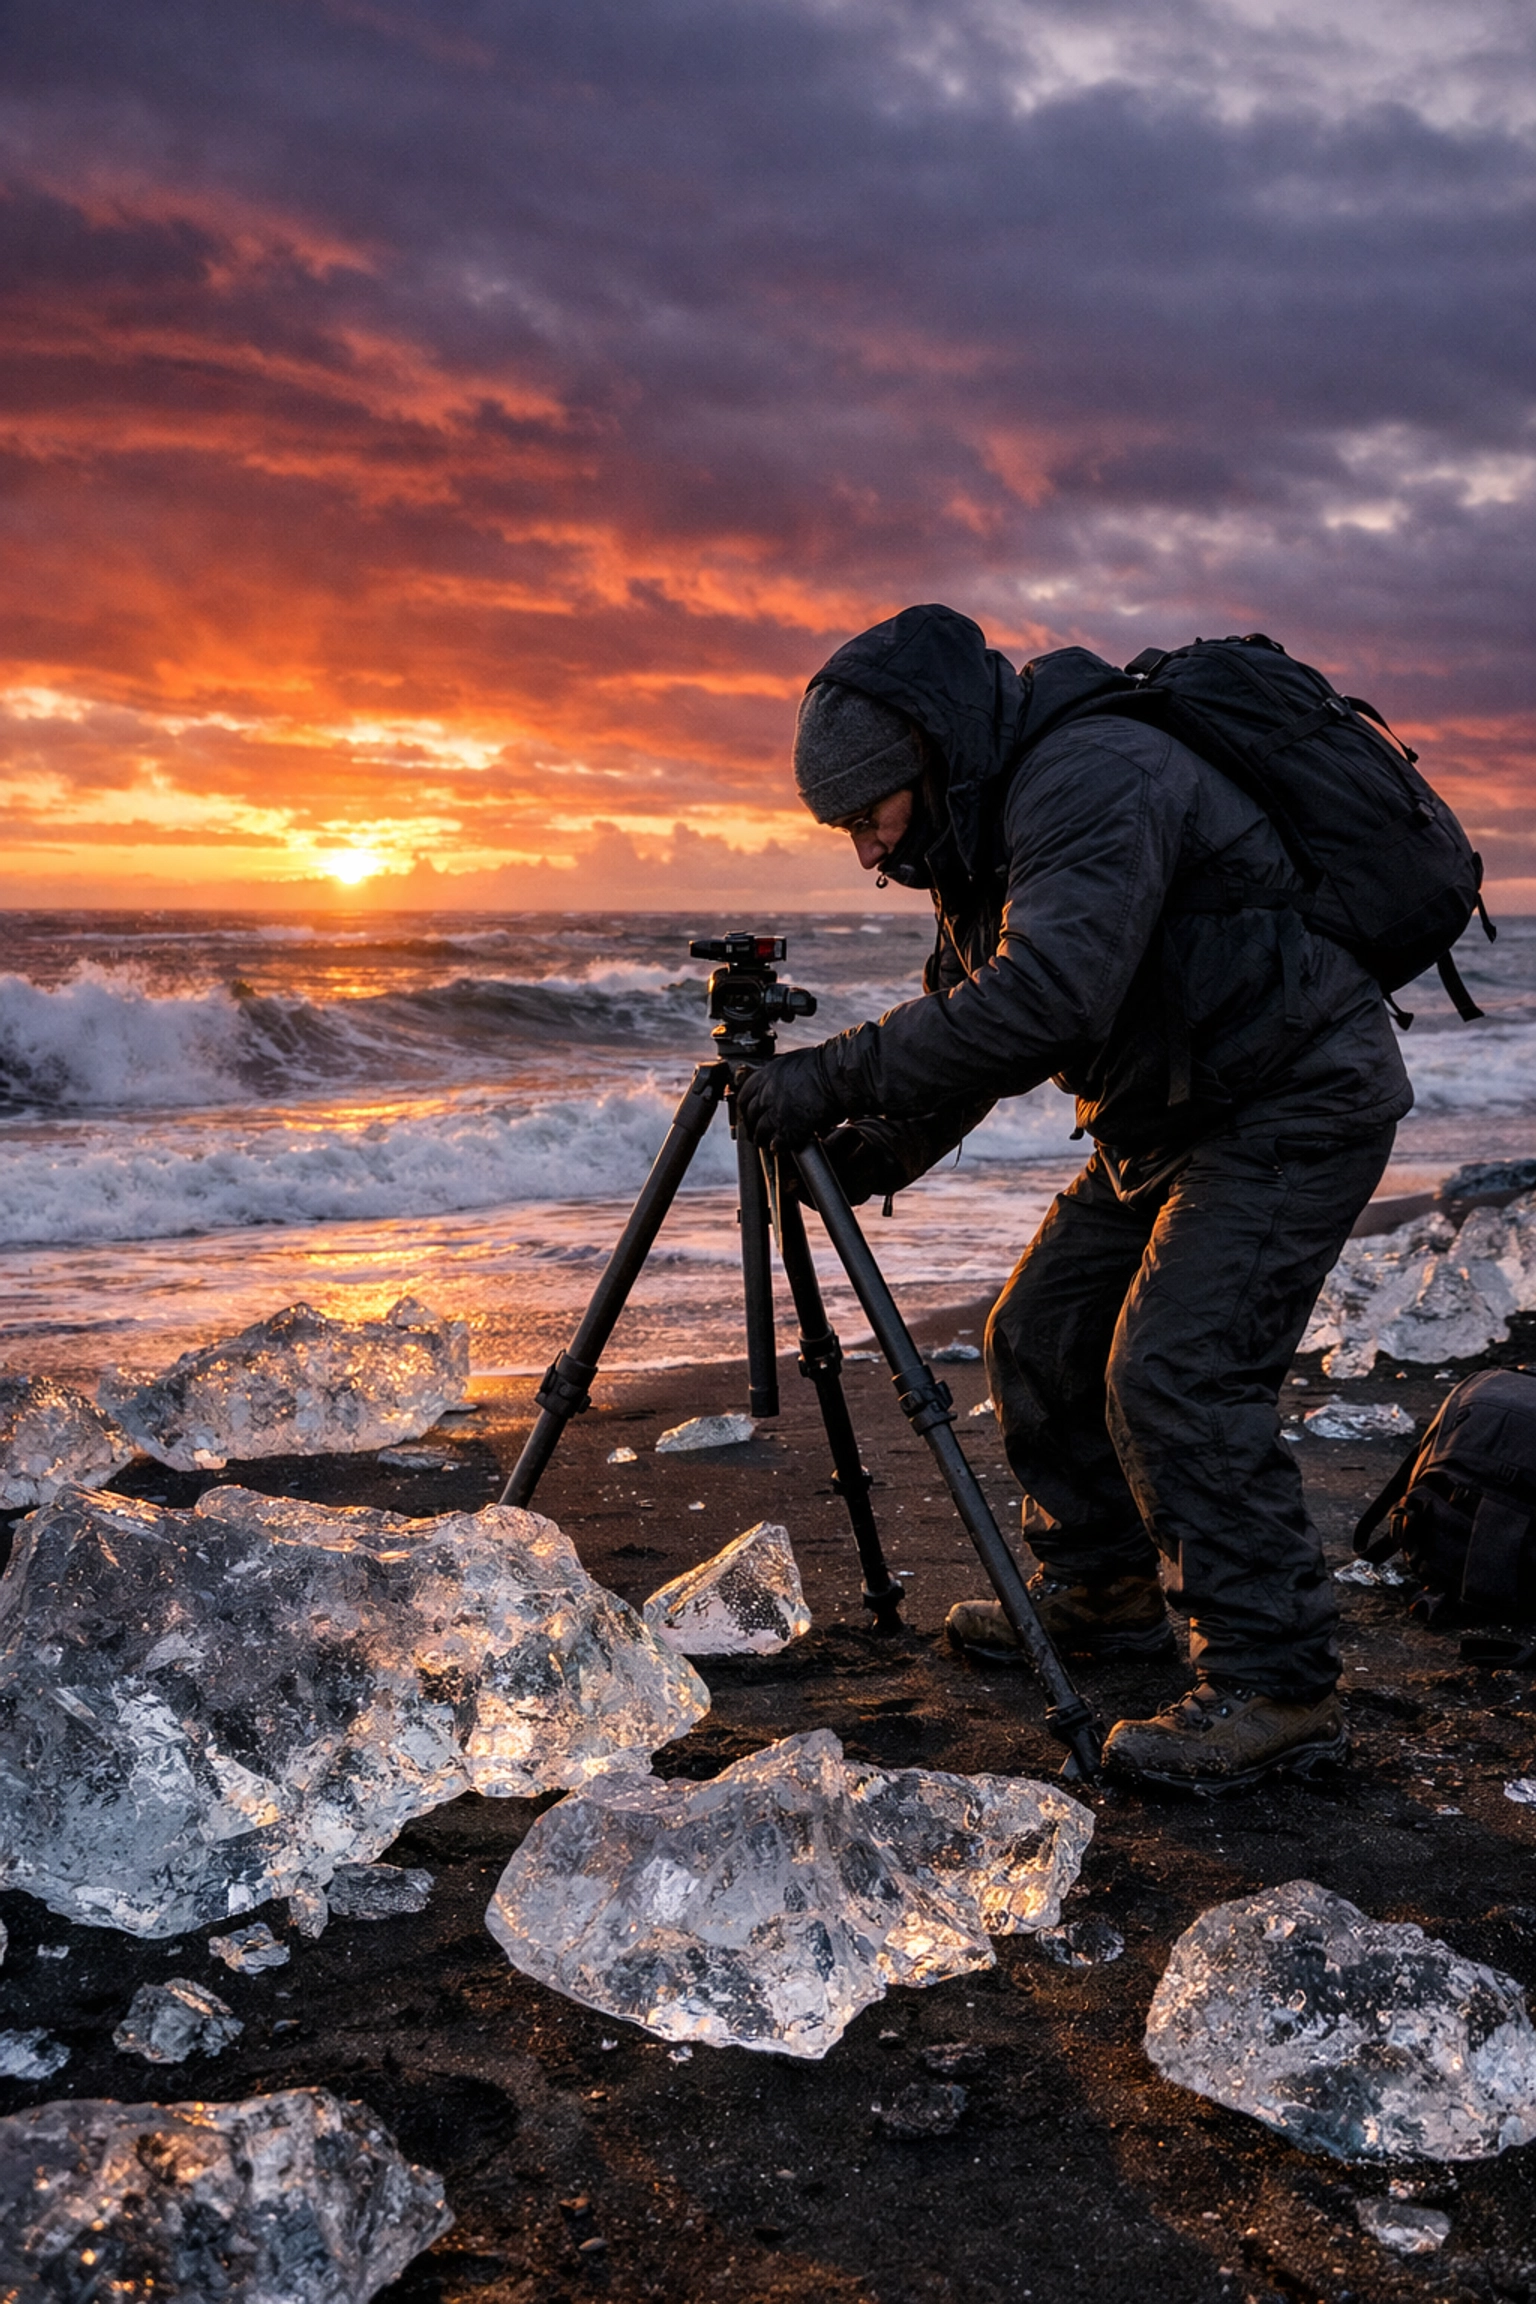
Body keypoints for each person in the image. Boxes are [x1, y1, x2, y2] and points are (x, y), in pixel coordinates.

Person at [736, 603, 1412, 1790]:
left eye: (866, 815)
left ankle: (1277, 1686)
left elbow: (1046, 997)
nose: (867, 850)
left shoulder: (1091, 775)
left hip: (1290, 1097)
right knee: (1040, 1338)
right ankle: (1100, 1591)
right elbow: (984, 1015)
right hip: (1168, 1115)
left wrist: (830, 1075)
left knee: (1178, 1370)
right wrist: (873, 1150)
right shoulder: (973, 823)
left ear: (926, 758)